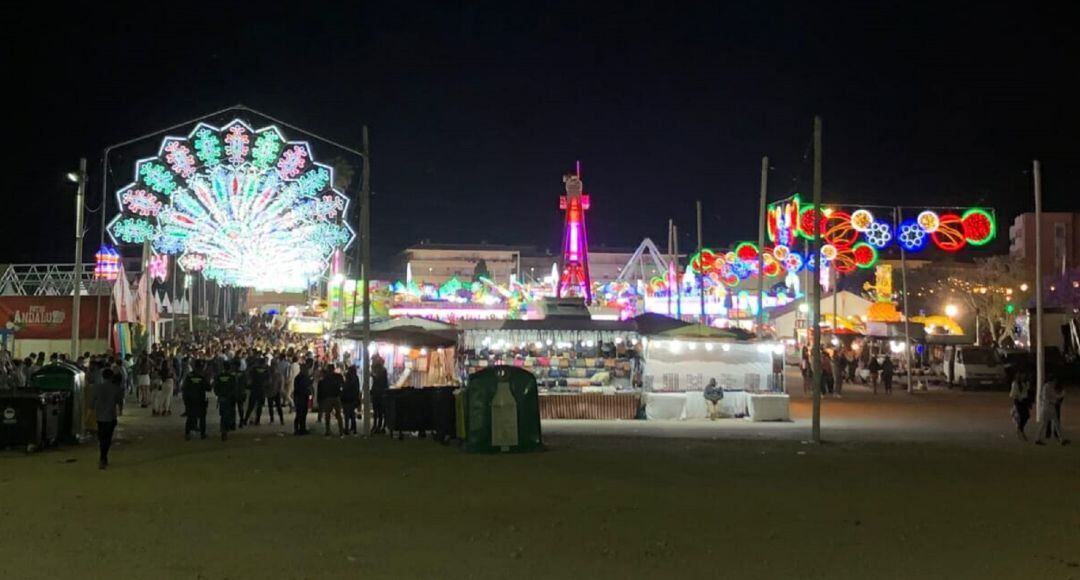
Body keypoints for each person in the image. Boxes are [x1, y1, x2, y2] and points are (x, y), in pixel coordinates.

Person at [92, 370, 125, 470]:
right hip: (110, 416)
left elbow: (92, 401)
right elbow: (120, 402)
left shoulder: (98, 387)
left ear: (102, 376)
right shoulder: (117, 389)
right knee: (107, 438)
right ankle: (103, 457)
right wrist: (120, 410)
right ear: (111, 377)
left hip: (99, 416)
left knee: (101, 437)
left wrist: (90, 413)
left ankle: (103, 457)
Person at [1034, 376, 1068, 446]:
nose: (1055, 383)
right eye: (1054, 381)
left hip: (1048, 408)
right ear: (1051, 381)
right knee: (1047, 424)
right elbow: (1055, 396)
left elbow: (1043, 397)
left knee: (1053, 423)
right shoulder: (1048, 387)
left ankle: (1061, 439)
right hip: (1048, 408)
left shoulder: (1046, 387)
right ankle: (1037, 439)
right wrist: (1062, 394)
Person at [181, 361, 211, 440]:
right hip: (200, 400)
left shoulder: (189, 376)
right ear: (201, 368)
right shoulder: (202, 377)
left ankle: (187, 434)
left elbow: (184, 388)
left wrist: (185, 399)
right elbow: (208, 388)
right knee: (202, 417)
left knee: (190, 417)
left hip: (190, 400)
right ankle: (202, 434)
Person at [317, 363, 345, 437]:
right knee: (336, 415)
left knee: (328, 414)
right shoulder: (337, 376)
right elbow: (343, 385)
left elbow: (323, 387)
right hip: (335, 396)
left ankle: (329, 430)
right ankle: (340, 431)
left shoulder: (326, 378)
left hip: (329, 397)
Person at [214, 363, 240, 441]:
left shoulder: (219, 377)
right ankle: (225, 430)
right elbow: (235, 388)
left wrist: (219, 395)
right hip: (230, 399)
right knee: (228, 414)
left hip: (222, 398)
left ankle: (224, 429)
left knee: (223, 414)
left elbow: (216, 388)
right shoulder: (232, 377)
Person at [244, 355, 270, 426]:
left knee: (250, 406)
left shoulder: (254, 370)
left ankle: (245, 420)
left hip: (254, 389)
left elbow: (248, 376)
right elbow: (268, 381)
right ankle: (257, 421)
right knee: (259, 406)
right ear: (264, 363)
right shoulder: (266, 371)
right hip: (261, 390)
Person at [1009, 371, 1034, 440]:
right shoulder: (1015, 384)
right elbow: (1013, 395)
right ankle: (1020, 431)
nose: (1023, 376)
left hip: (1025, 401)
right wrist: (1017, 401)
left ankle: (1020, 429)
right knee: (1021, 416)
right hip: (1018, 401)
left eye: (1024, 375)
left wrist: (1029, 402)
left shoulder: (1025, 383)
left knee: (1026, 416)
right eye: (1022, 375)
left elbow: (1028, 392)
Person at [293, 359, 313, 435]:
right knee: (300, 414)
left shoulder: (301, 377)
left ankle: (302, 428)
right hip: (300, 397)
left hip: (303, 397)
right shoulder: (300, 378)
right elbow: (304, 386)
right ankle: (299, 429)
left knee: (303, 414)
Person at [371, 355, 390, 434]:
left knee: (381, 411)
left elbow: (378, 379)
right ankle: (377, 426)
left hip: (380, 393)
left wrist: (373, 375)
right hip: (377, 393)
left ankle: (380, 426)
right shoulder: (378, 370)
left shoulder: (382, 371)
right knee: (377, 411)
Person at [342, 365, 361, 435]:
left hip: (348, 398)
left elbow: (346, 387)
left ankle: (347, 429)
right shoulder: (356, 378)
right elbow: (357, 389)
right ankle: (353, 428)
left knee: (347, 414)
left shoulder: (350, 378)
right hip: (353, 398)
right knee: (352, 414)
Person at [266, 359, 285, 425]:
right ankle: (272, 419)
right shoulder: (269, 374)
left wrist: (280, 390)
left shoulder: (279, 374)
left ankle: (281, 419)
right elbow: (266, 383)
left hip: (276, 392)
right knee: (270, 407)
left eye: (274, 365)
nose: (273, 366)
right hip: (270, 392)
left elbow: (281, 383)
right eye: (272, 365)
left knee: (278, 406)